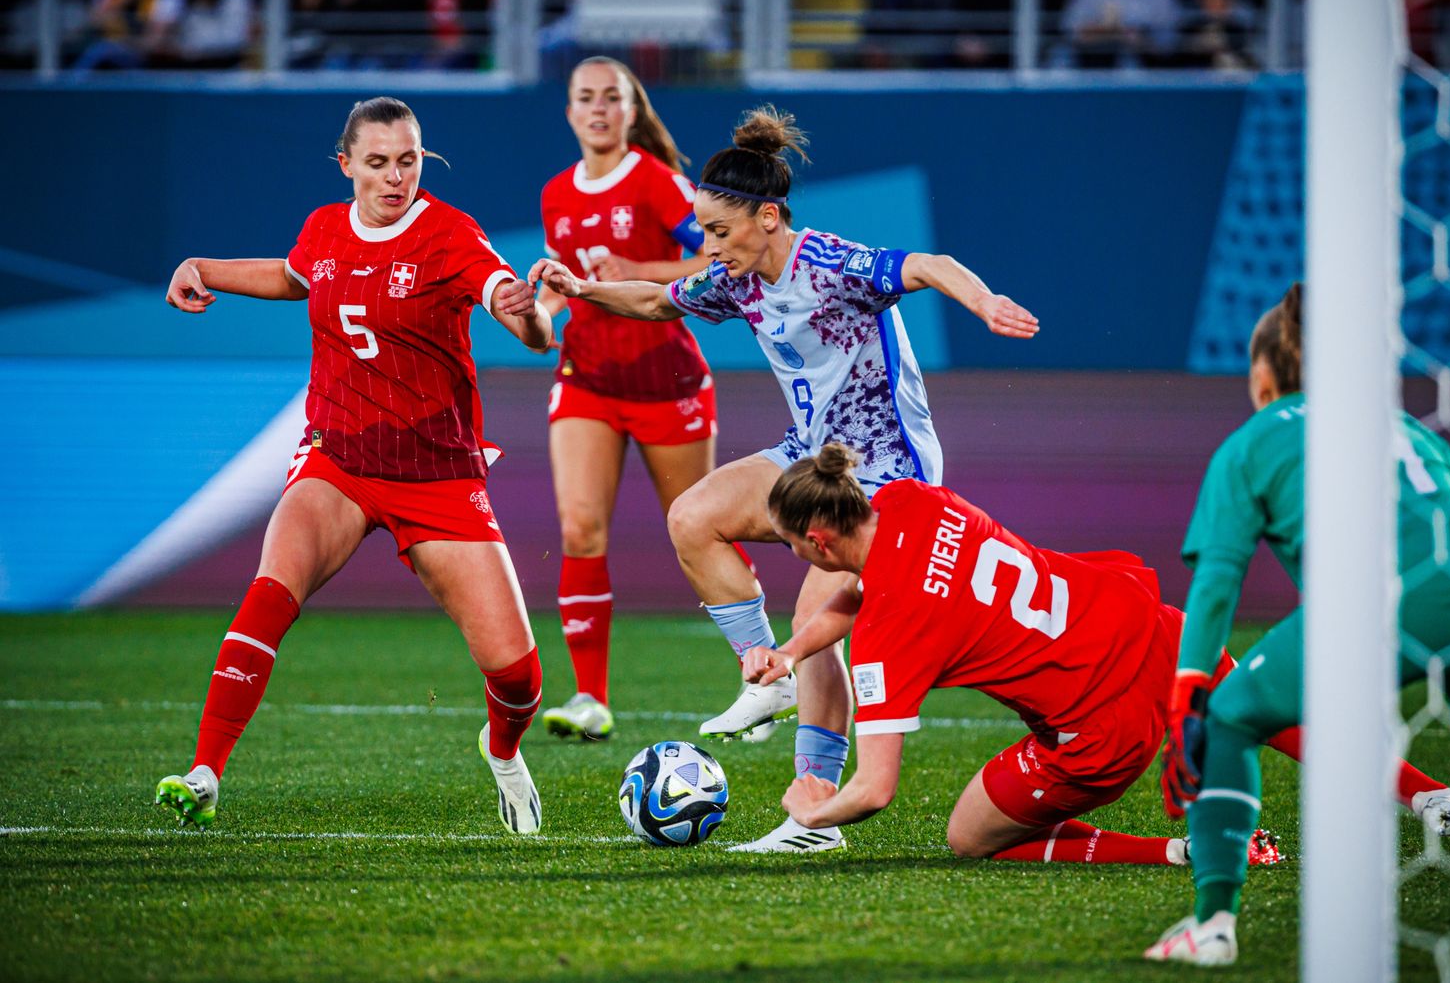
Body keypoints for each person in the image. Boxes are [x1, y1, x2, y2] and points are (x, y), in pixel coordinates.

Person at [519, 105, 1040, 852]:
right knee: (692, 518)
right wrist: (580, 289)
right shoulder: (735, 280)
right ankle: (767, 679)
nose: (707, 245)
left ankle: (813, 819)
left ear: (768, 217)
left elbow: (926, 266)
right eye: (702, 230)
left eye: (719, 231)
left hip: (885, 478)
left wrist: (983, 301)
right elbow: (660, 299)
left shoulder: (828, 262)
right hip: (809, 455)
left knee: (818, 619)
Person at [1146, 283, 1450, 966]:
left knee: (1234, 719)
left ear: (1265, 375)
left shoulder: (1251, 443)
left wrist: (1188, 701)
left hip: (1382, 599)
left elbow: (1216, 582)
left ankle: (1212, 926)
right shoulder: (1406, 429)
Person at [153, 97, 555, 837]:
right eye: (378, 163)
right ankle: (205, 772)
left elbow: (514, 309)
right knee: (271, 592)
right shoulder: (325, 228)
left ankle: (502, 749)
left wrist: (528, 311)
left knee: (518, 676)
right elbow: (294, 275)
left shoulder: (449, 232)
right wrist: (202, 266)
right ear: (347, 166)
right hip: (337, 459)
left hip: (437, 476)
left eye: (408, 160)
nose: (395, 176)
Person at [739, 444, 1285, 869]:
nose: (795, 554)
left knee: (969, 837)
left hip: (1103, 724)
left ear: (818, 540)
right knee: (1277, 718)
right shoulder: (912, 498)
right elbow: (866, 589)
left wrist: (813, 812)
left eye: (791, 544)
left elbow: (874, 791)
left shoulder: (887, 637)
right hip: (1157, 630)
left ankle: (1181, 853)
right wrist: (789, 653)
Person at [535, 56, 721, 743]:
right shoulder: (557, 192)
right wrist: (541, 309)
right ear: (570, 112)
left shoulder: (658, 183)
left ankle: (764, 678)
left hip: (665, 381)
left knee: (700, 533)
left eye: (611, 98)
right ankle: (590, 699)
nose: (598, 110)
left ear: (632, 110)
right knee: (580, 529)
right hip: (588, 379)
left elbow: (718, 259)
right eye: (585, 98)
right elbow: (572, 285)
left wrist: (639, 271)